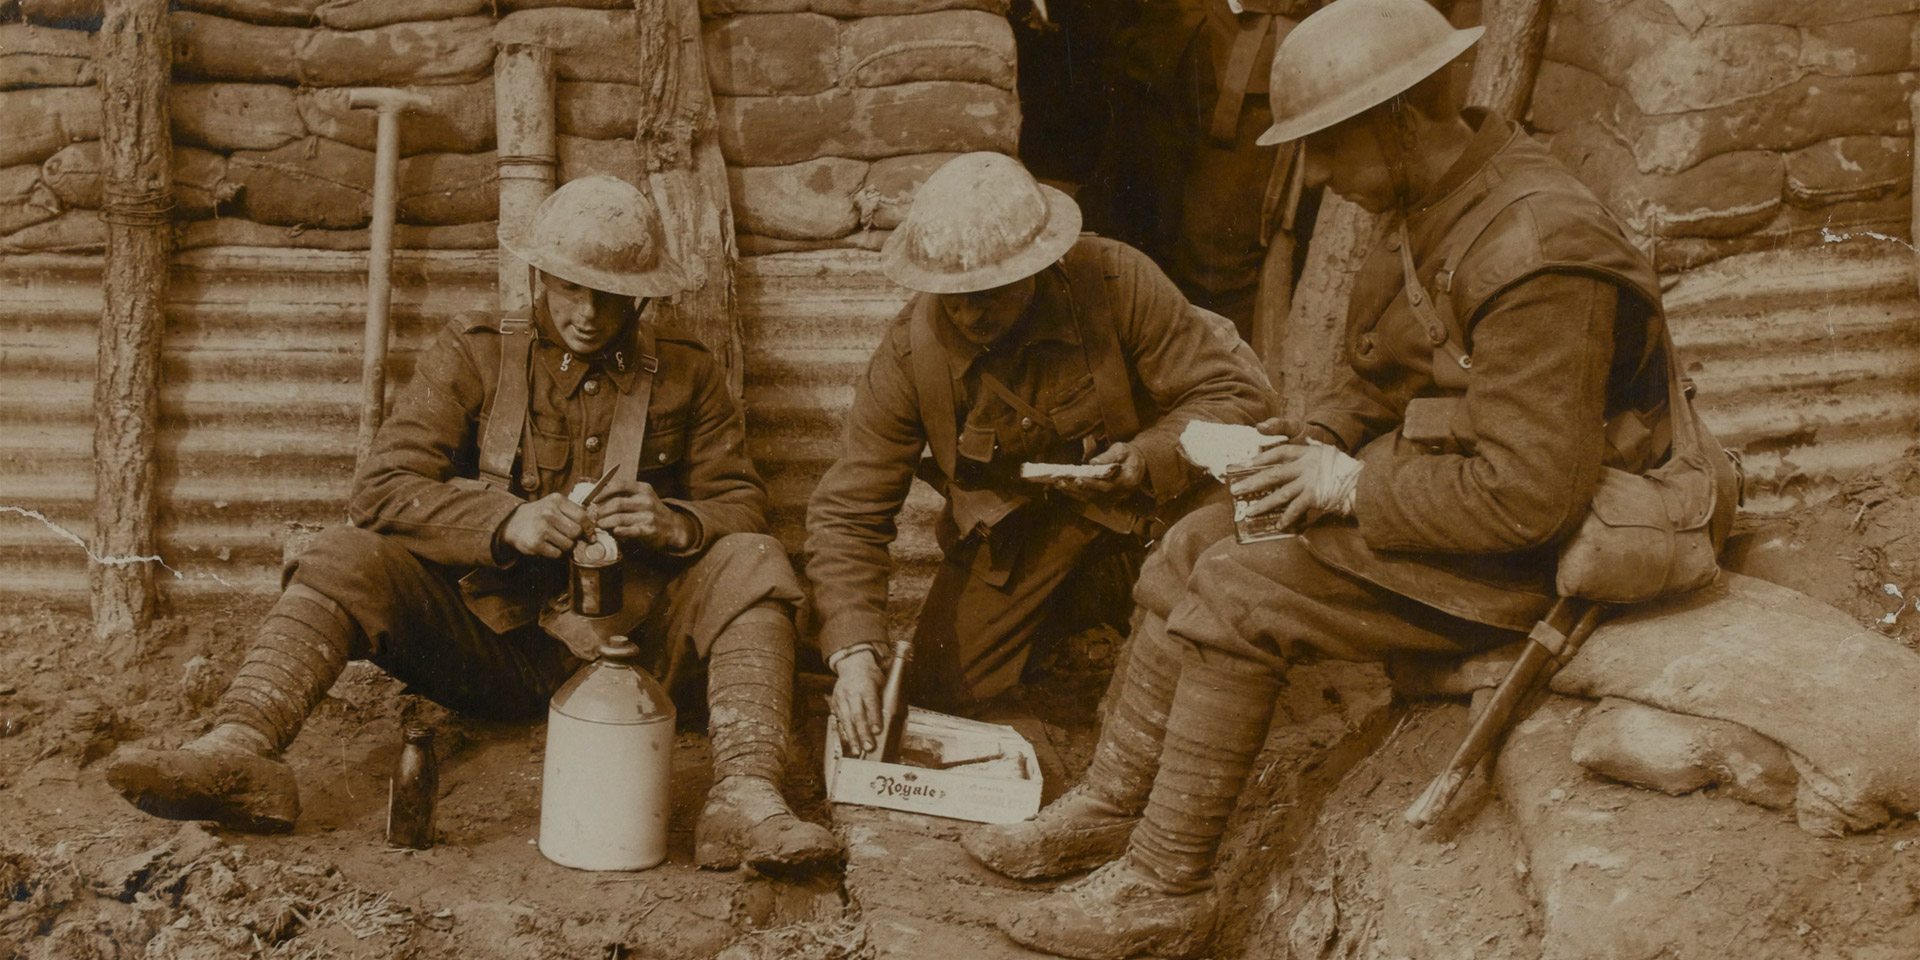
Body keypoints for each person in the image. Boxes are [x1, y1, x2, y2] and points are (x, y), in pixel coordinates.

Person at [961, 0, 1715, 955]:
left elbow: (1532, 497)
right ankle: (1116, 804)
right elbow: (1377, 373)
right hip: (1454, 495)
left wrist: (1347, 487)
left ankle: (1164, 888)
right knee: (1196, 536)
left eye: (1326, 147)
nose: (1314, 174)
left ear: (1397, 119)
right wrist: (1304, 442)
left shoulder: (1537, 251)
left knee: (1240, 588)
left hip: (1550, 544)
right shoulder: (1424, 201)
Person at [105, 176, 840, 871]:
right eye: (570, 289)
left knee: (752, 560)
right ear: (538, 280)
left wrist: (677, 521)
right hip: (490, 645)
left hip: (637, 658)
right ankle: (243, 748)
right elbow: (382, 489)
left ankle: (744, 799)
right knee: (344, 553)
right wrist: (505, 522)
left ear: (641, 302)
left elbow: (744, 509)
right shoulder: (475, 353)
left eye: (610, 298)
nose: (587, 313)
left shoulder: (687, 372)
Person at [806, 152, 1273, 753]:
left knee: (1208, 638)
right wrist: (852, 652)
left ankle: (1149, 624)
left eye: (991, 293)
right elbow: (849, 512)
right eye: (955, 297)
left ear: (1039, 265)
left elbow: (1231, 394)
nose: (972, 313)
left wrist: (1148, 455)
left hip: (1154, 503)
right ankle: (1082, 615)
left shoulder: (1116, 282)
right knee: (946, 686)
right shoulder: (907, 357)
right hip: (1026, 534)